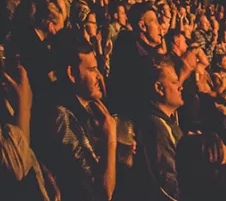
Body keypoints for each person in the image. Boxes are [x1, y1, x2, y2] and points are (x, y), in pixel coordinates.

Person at [33, 35, 118, 201]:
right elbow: (103, 193)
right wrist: (111, 139)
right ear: (71, 73)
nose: (99, 76)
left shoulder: (90, 107)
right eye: (92, 70)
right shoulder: (61, 117)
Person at [118, 55, 184, 201]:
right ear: (159, 88)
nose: (181, 87)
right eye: (174, 82)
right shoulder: (157, 129)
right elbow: (168, 186)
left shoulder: (163, 123)